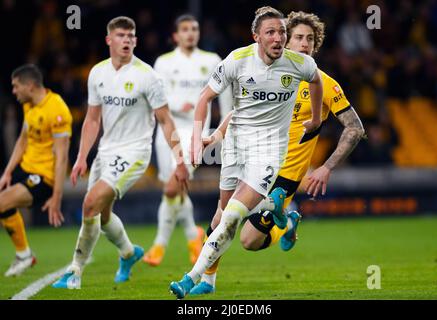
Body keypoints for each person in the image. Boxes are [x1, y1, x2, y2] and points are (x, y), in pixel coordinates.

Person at [189, 11, 366, 295]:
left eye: (310, 38)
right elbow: (241, 112)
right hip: (253, 155)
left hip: (285, 174)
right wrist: (217, 135)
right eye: (298, 37)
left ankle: (283, 219)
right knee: (221, 218)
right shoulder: (265, 71)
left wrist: (326, 167)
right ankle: (208, 281)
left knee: (248, 240)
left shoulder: (323, 82)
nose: (304, 43)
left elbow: (355, 128)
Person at [169, 6, 324, 299]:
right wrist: (202, 137)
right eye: (271, 32)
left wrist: (316, 119)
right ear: (256, 37)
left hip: (268, 152)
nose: (279, 38)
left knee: (230, 219)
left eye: (282, 32)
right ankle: (275, 210)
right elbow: (206, 97)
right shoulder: (237, 61)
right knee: (218, 220)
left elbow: (316, 81)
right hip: (235, 147)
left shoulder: (298, 63)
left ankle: (190, 278)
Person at [52, 16, 189, 289]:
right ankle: (129, 253)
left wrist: (180, 160)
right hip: (105, 152)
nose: (127, 40)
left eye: (131, 36)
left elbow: (166, 121)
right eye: (121, 36)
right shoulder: (97, 73)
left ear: (136, 40)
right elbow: (92, 120)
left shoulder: (148, 76)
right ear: (109, 40)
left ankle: (74, 271)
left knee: (90, 203)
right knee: (101, 217)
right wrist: (81, 157)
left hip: (135, 153)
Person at [143, 14, 232, 267]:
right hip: (167, 131)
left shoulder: (212, 60)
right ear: (175, 35)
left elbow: (223, 97)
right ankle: (194, 236)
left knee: (173, 187)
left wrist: (226, 128)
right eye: (185, 29)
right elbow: (156, 98)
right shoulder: (163, 62)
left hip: (194, 132)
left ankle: (159, 245)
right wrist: (175, 104)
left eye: (194, 28)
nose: (190, 33)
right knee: (173, 190)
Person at [0, 64, 72, 277]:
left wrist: (57, 196)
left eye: (16, 86)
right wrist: (7, 172)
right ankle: (24, 254)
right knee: (3, 207)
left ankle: (24, 255)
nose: (13, 91)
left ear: (30, 86)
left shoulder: (57, 110)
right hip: (26, 168)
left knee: (2, 202)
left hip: (44, 177)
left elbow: (62, 158)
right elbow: (23, 140)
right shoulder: (28, 105)